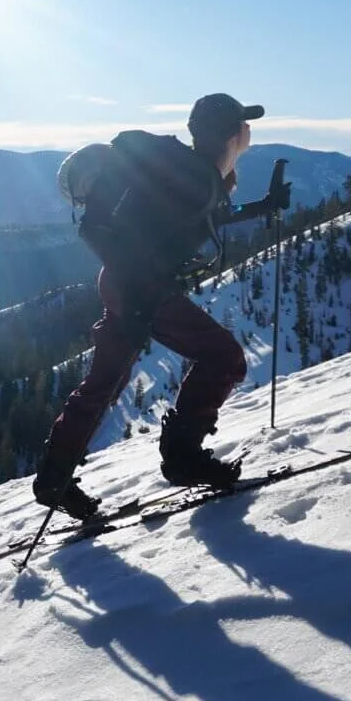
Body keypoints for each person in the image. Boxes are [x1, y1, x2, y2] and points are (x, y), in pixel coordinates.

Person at [32, 93, 291, 520]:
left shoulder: (197, 175)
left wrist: (263, 207)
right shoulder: (192, 175)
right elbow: (98, 230)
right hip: (141, 288)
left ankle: (53, 478)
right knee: (223, 358)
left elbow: (194, 220)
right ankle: (182, 457)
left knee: (106, 382)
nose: (248, 132)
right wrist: (137, 296)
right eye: (244, 125)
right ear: (233, 133)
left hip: (128, 285)